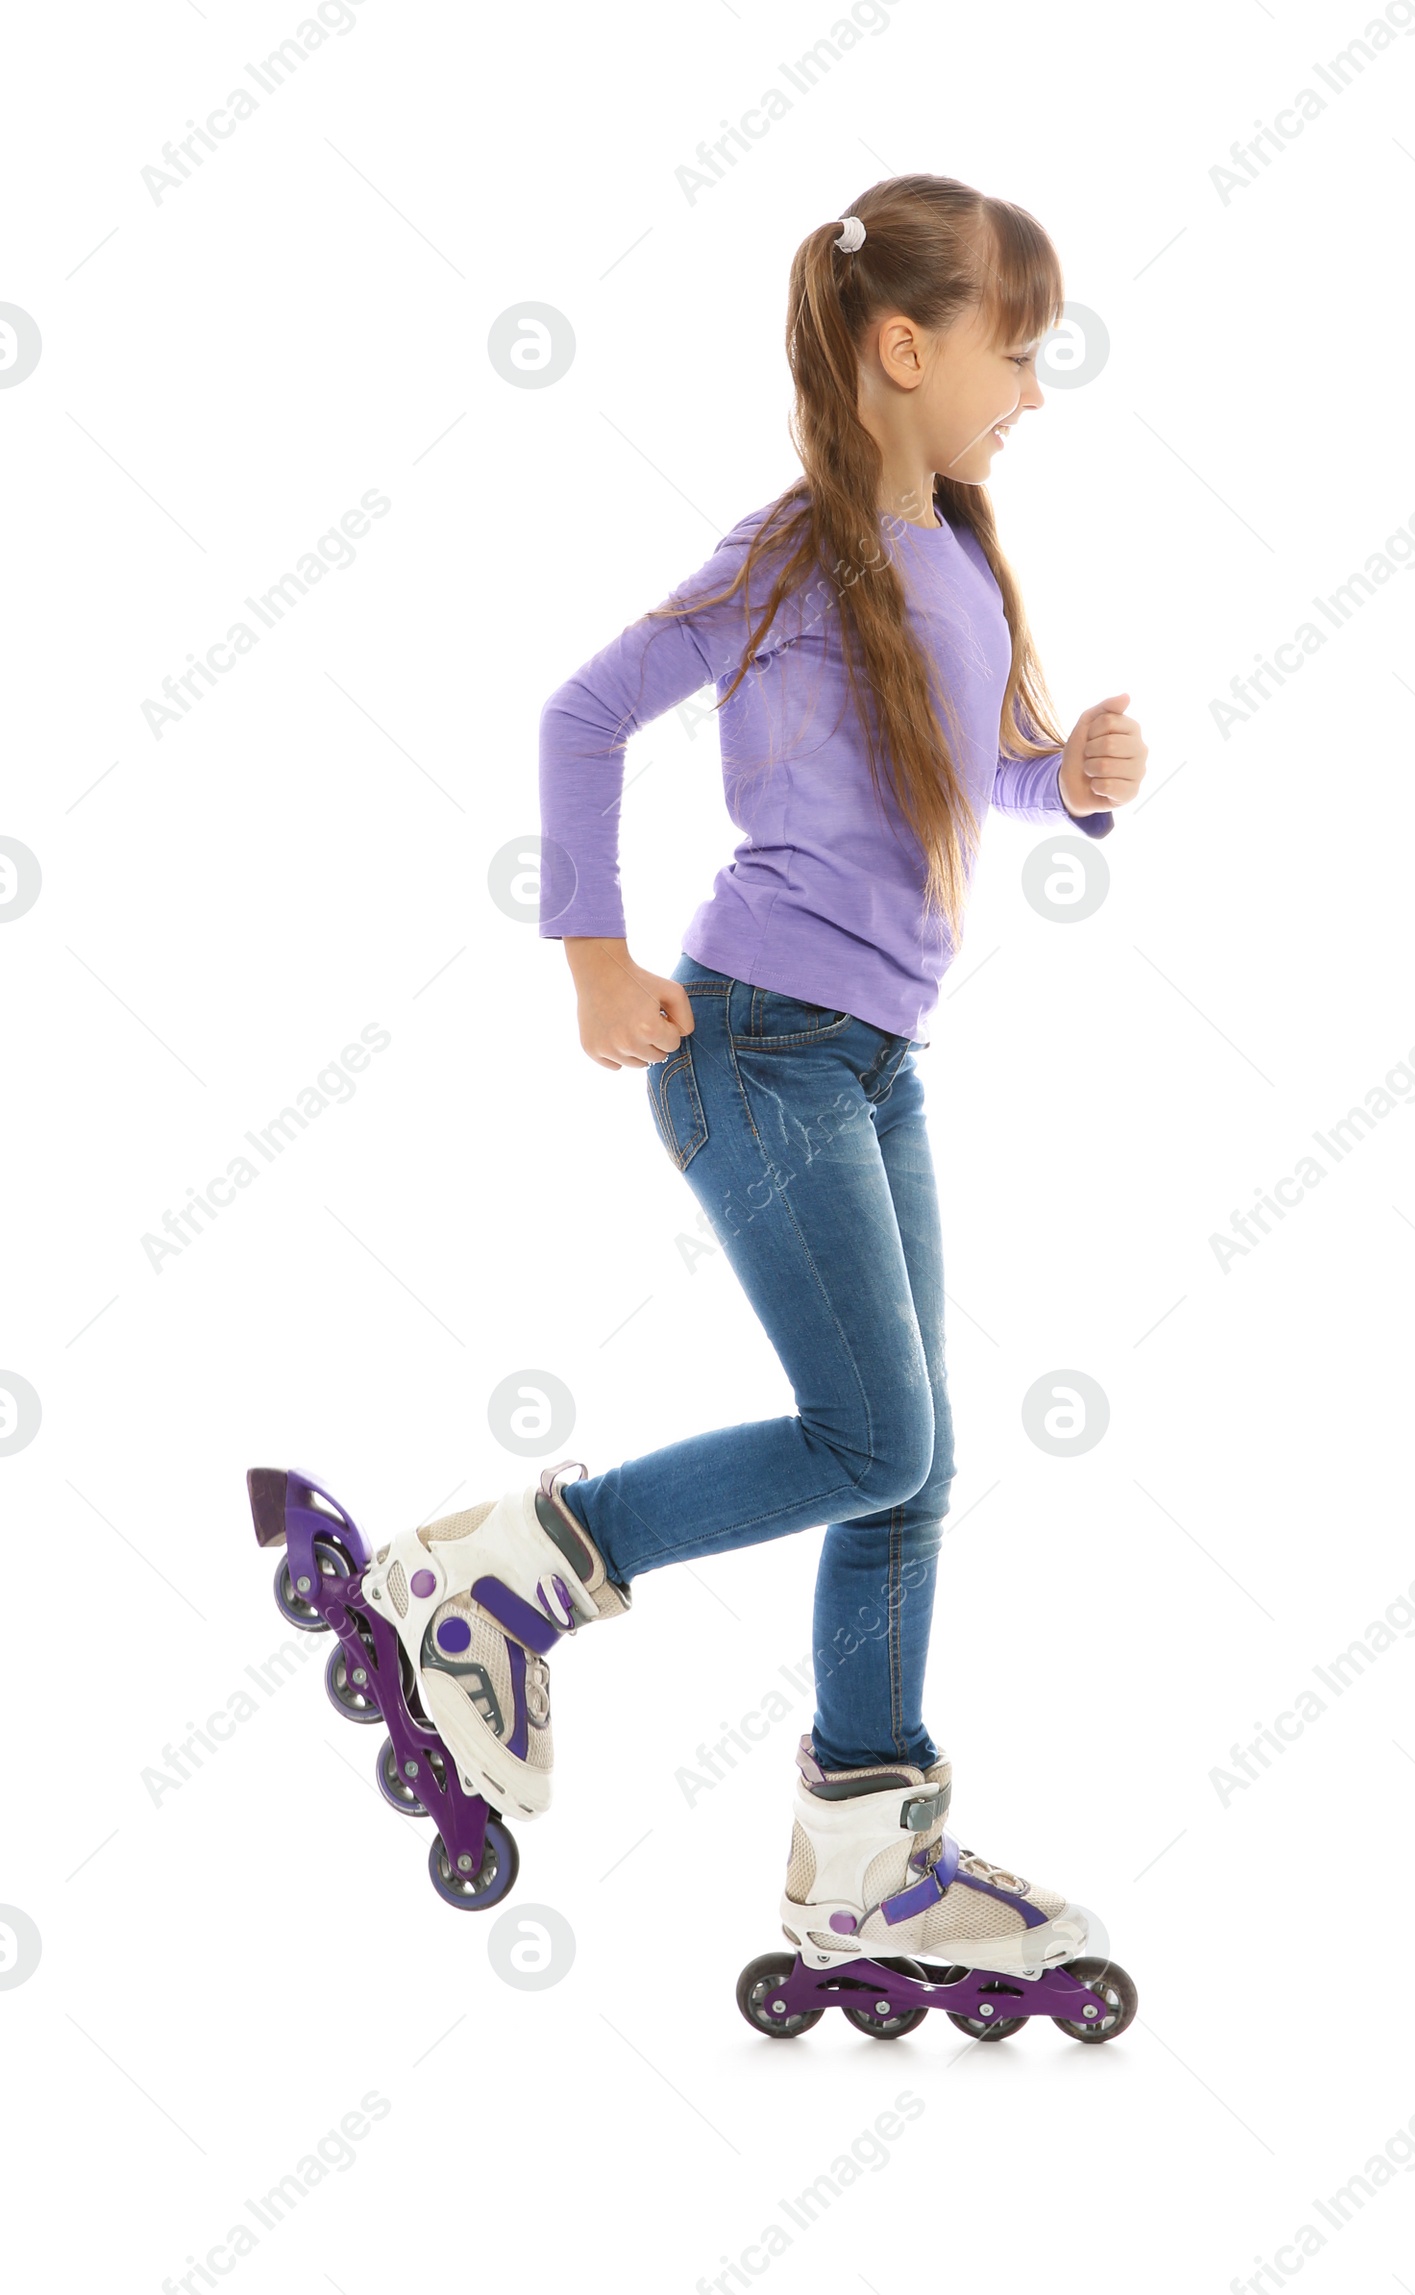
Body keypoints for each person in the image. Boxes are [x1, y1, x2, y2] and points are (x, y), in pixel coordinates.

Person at [375, 174, 1147, 1974]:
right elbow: (582, 712)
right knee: (877, 1434)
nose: (1031, 390)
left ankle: (868, 1858)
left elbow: (984, 778)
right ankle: (499, 1574)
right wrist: (589, 957)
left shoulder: (955, 554)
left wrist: (1077, 774)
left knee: (910, 1462)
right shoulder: (789, 552)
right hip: (756, 1050)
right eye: (1011, 351)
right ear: (904, 346)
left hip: (871, 1063)